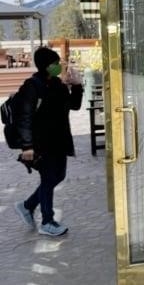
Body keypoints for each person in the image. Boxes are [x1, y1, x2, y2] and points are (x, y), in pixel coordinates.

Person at [14, 47, 83, 236]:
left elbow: (74, 106)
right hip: (41, 143)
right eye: (54, 63)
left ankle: (27, 206)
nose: (58, 66)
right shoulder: (32, 85)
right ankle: (47, 221)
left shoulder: (58, 85)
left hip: (59, 140)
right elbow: (24, 117)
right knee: (48, 178)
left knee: (57, 176)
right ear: (45, 65)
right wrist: (27, 146)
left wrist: (76, 85)